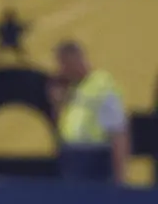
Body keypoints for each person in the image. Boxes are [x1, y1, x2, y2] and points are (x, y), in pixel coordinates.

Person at [48, 41, 131, 184]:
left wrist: (119, 177)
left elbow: (118, 133)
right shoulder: (70, 88)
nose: (61, 71)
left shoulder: (102, 87)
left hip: (95, 157)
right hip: (71, 157)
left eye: (64, 65)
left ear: (75, 61)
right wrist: (57, 104)